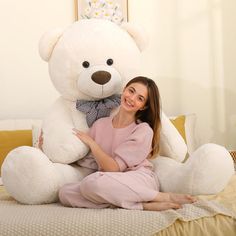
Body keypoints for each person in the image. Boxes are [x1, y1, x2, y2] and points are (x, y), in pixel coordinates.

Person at [58, 76, 196, 211]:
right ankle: (142, 205)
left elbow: (113, 168)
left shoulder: (143, 130)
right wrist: (45, 149)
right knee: (65, 193)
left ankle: (162, 197)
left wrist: (93, 144)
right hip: (108, 181)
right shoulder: (99, 125)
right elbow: (88, 161)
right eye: (131, 91)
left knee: (90, 184)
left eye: (140, 98)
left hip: (136, 179)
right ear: (124, 90)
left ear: (143, 106)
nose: (132, 98)